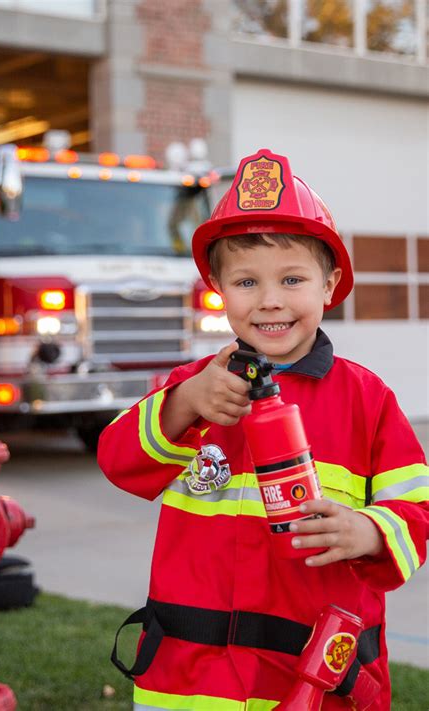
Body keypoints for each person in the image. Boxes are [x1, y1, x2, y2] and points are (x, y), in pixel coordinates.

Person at [98, 148, 428, 710]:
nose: (270, 300)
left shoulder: (366, 398)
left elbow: (417, 509)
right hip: (190, 682)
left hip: (316, 681)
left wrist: (370, 532)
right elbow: (118, 459)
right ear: (219, 290)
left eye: (292, 278)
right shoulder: (194, 385)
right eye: (246, 282)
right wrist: (183, 403)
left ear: (330, 285)